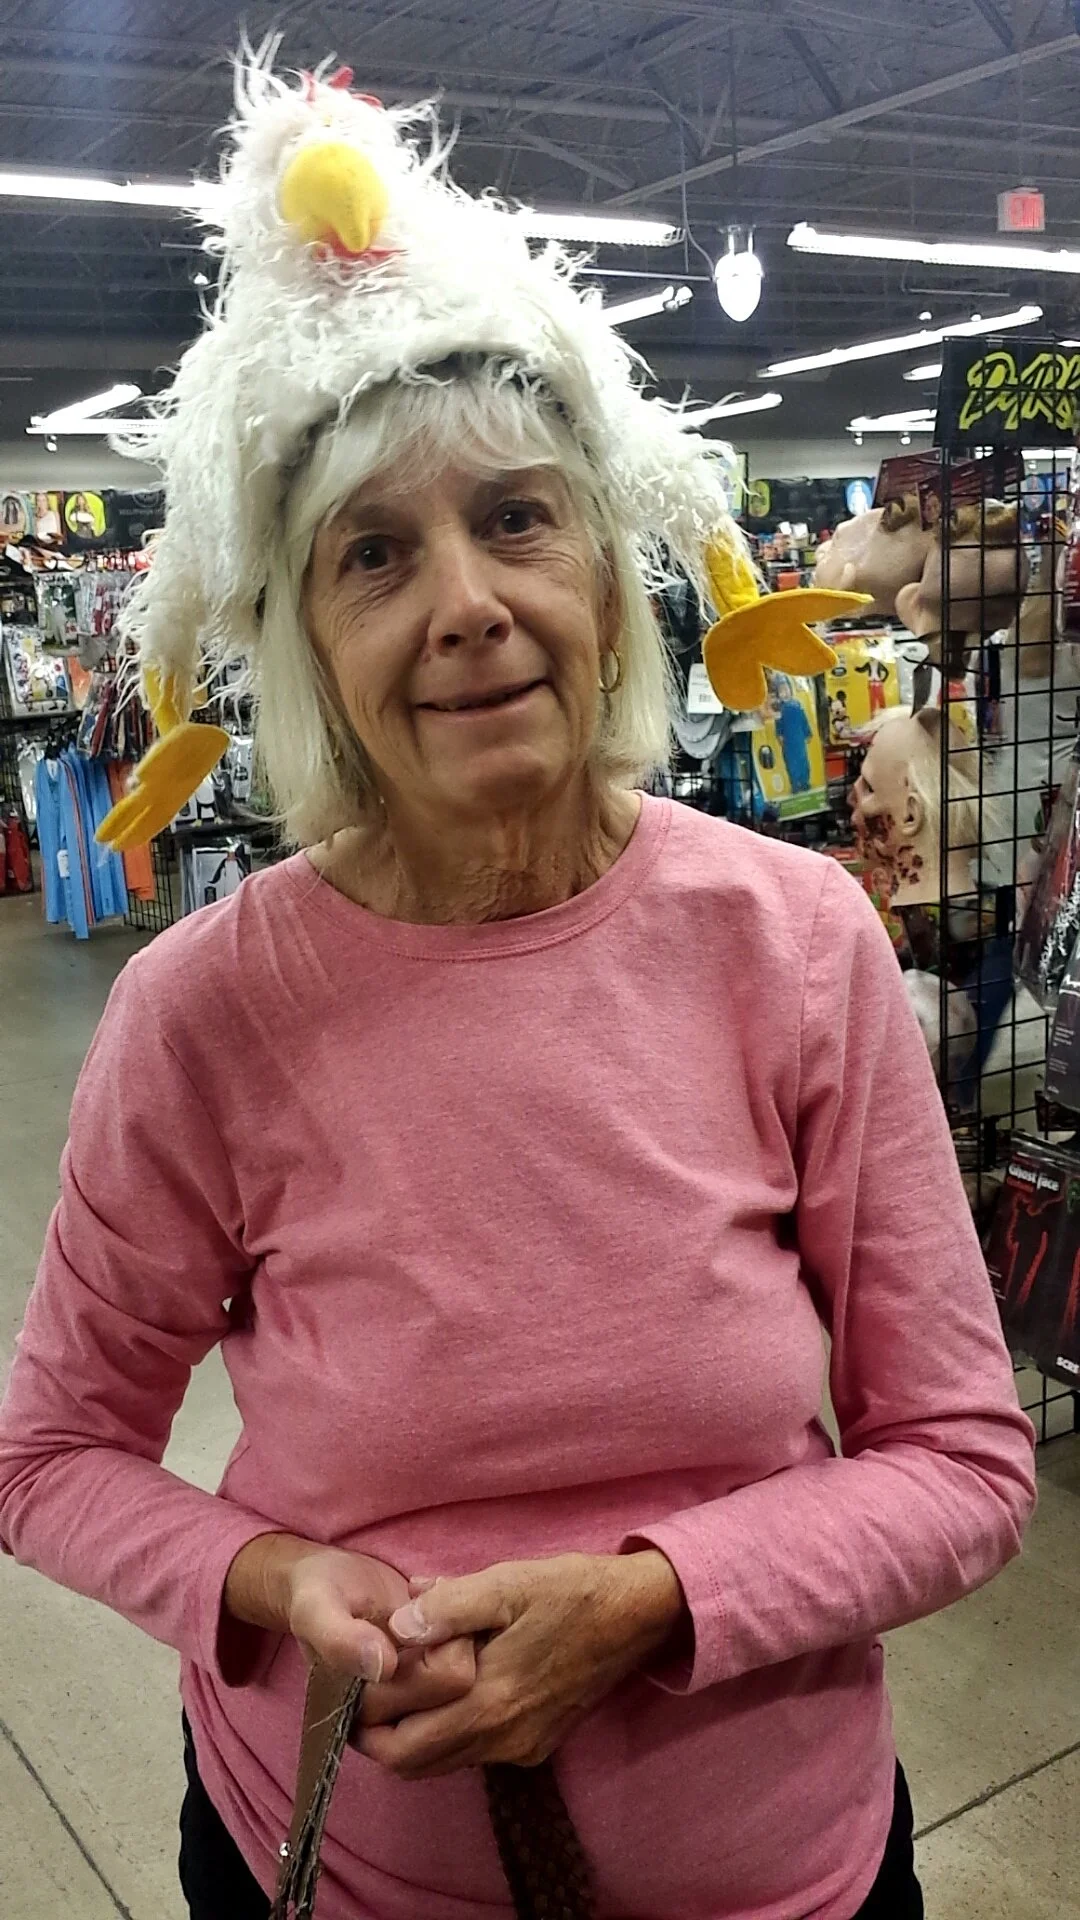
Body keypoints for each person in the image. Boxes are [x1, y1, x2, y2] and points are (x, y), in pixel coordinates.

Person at [0, 53, 1036, 1920]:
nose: (466, 600)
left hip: (786, 1879)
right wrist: (267, 1579)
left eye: (517, 518)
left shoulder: (797, 941)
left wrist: (654, 1602)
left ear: (610, 583)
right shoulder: (204, 1012)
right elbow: (51, 1459)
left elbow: (963, 1460)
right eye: (375, 555)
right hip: (329, 1864)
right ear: (310, 648)